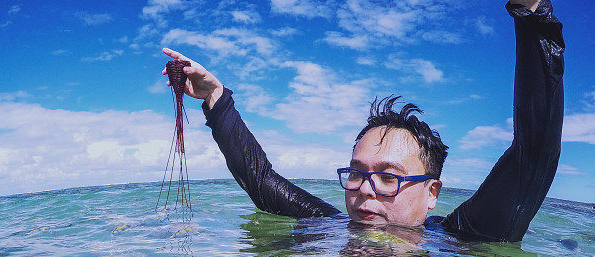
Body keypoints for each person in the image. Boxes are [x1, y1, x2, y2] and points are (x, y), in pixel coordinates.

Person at [161, 0, 564, 244]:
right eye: (356, 174)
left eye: (389, 177)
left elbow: (535, 152)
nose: (365, 192)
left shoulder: (464, 239)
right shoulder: (330, 227)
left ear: (432, 192)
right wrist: (216, 97)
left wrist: (531, 13)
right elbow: (260, 179)